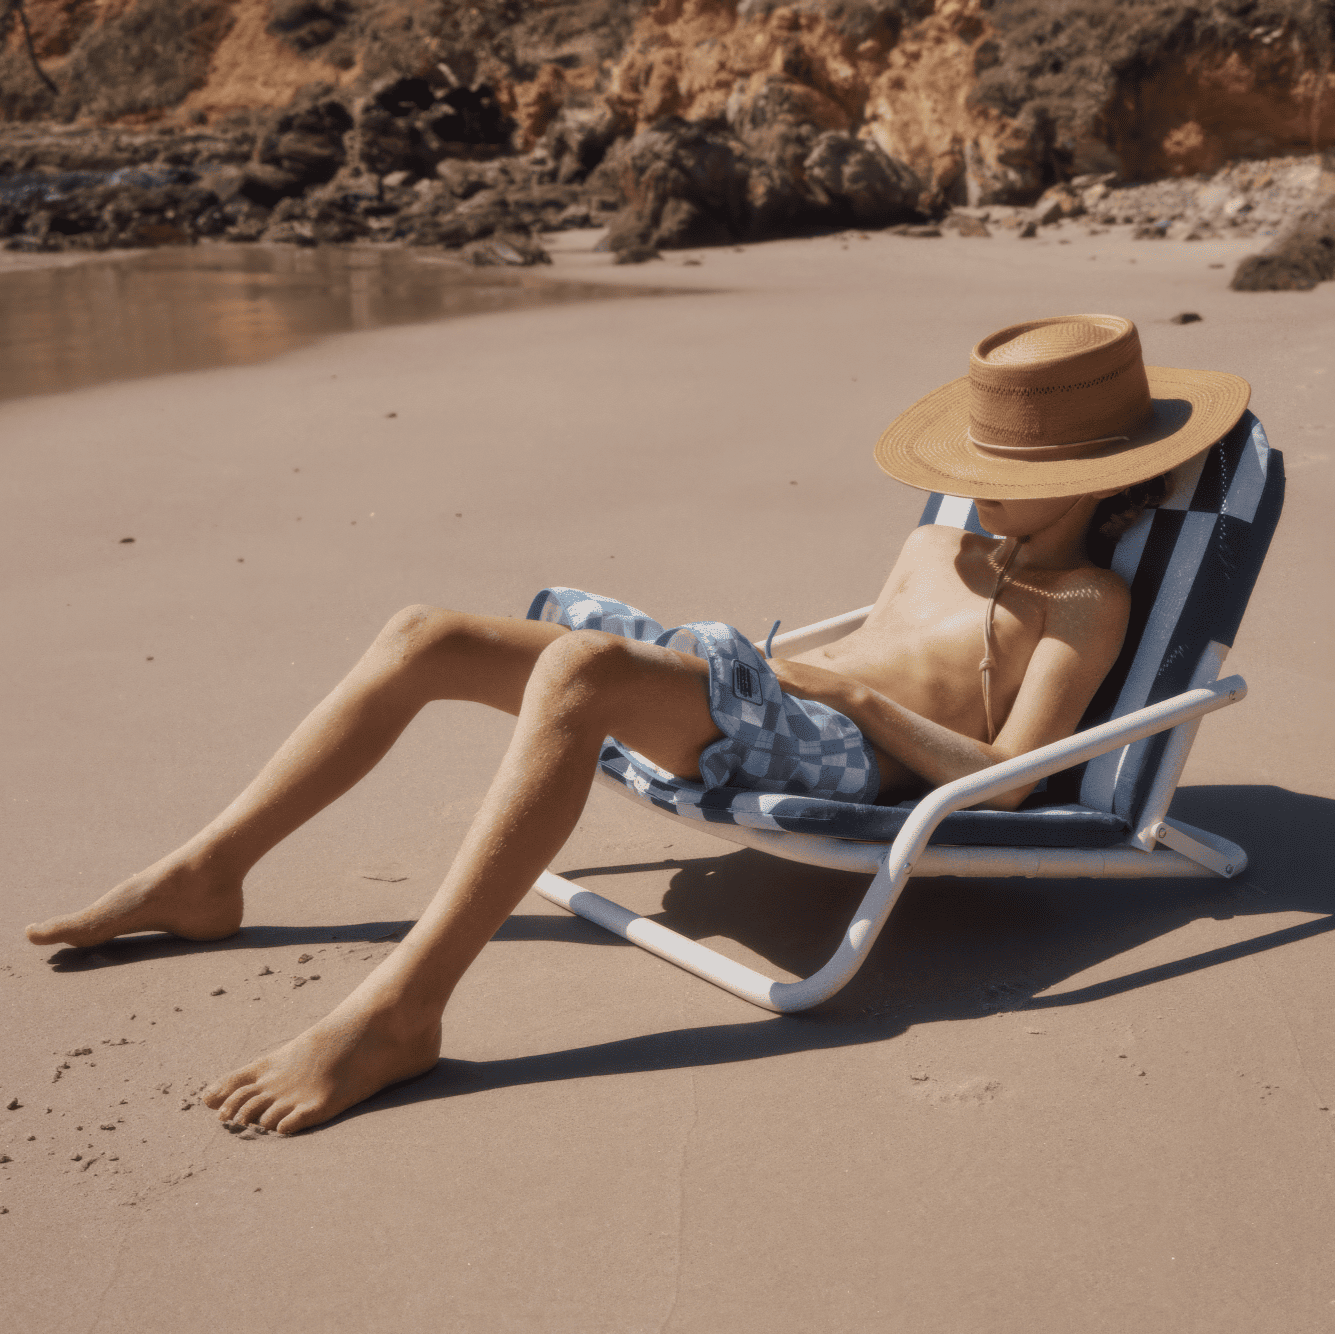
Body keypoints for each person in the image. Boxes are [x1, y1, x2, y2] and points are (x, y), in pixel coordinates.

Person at [24, 313, 1250, 1134]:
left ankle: (402, 1011)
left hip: (853, 753)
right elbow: (866, 637)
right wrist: (788, 671)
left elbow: (1016, 783)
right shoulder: (941, 534)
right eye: (985, 453)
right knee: (422, 632)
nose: (987, 481)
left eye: (1021, 464)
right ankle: (208, 871)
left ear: (1107, 475)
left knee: (577, 678)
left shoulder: (1087, 599)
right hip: (784, 698)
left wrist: (855, 698)